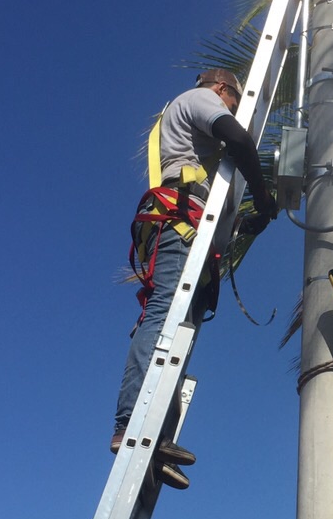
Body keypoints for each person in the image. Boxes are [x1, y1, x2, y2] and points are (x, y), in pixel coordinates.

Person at [112, 69, 278, 488]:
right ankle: (132, 420)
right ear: (223, 89)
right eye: (235, 102)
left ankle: (157, 435)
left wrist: (249, 222)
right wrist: (263, 194)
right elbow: (238, 140)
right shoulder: (199, 99)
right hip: (181, 224)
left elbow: (220, 198)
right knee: (164, 314)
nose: (234, 109)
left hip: (197, 232)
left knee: (179, 336)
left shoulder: (197, 136)